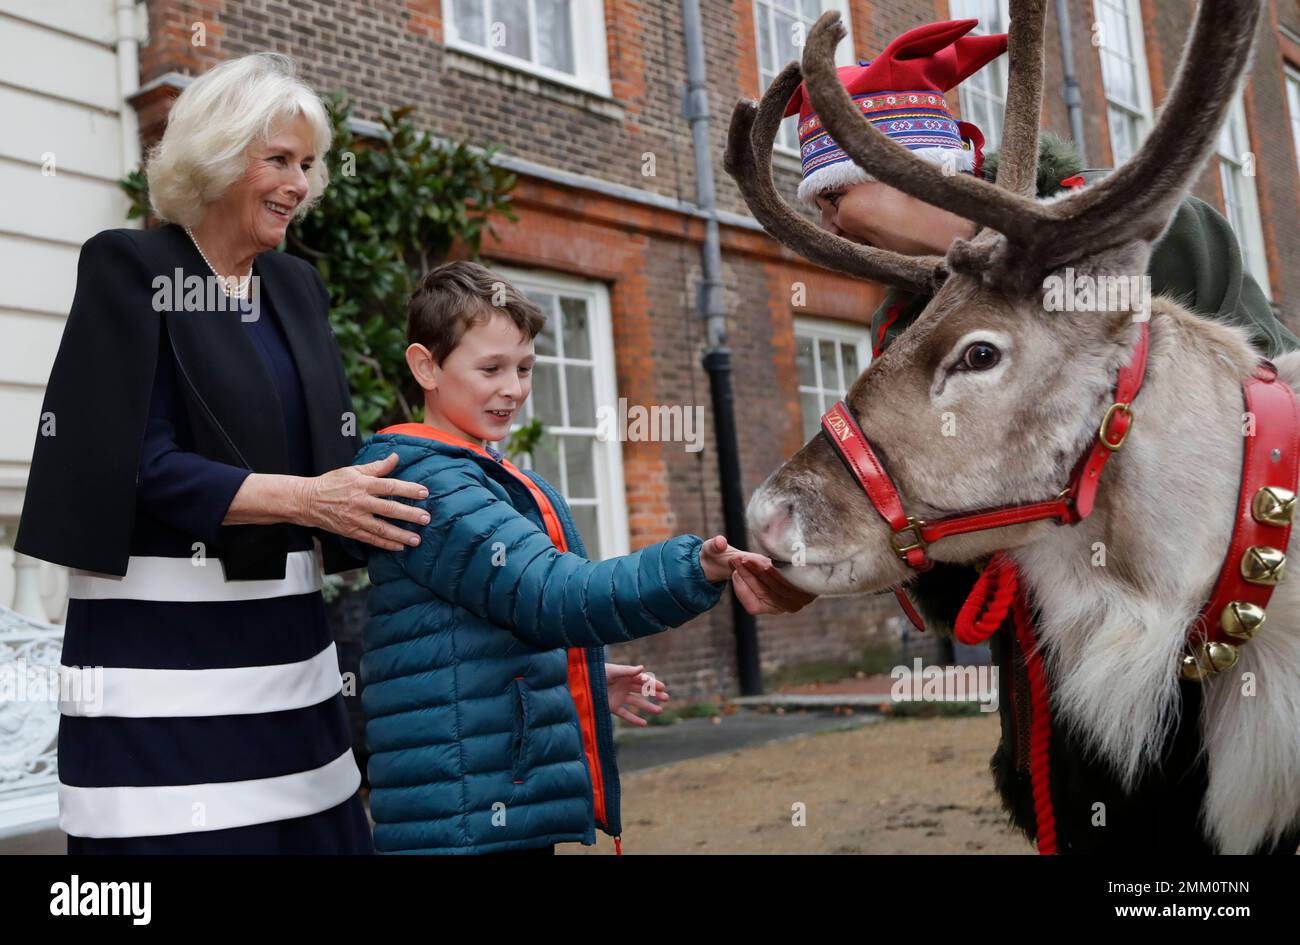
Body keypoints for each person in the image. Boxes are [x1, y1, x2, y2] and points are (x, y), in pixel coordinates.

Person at [791, 17, 1300, 852]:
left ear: (906, 162)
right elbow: (936, 556)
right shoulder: (902, 331)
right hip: (1062, 698)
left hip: (1224, 673)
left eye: (834, 190)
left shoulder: (1139, 239)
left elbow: (1274, 421)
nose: (825, 217)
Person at [13, 53, 430, 853]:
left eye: (307, 164)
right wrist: (307, 501)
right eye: (277, 159)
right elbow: (132, 462)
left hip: (291, 659)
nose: (300, 184)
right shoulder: (129, 268)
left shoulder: (296, 288)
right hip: (161, 669)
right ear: (215, 154)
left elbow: (332, 454)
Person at [344, 260, 807, 854]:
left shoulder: (476, 472)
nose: (513, 387)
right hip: (466, 820)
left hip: (479, 801)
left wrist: (570, 682)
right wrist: (696, 567)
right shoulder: (432, 484)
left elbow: (476, 634)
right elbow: (554, 596)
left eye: (525, 367)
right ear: (425, 366)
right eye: (490, 368)